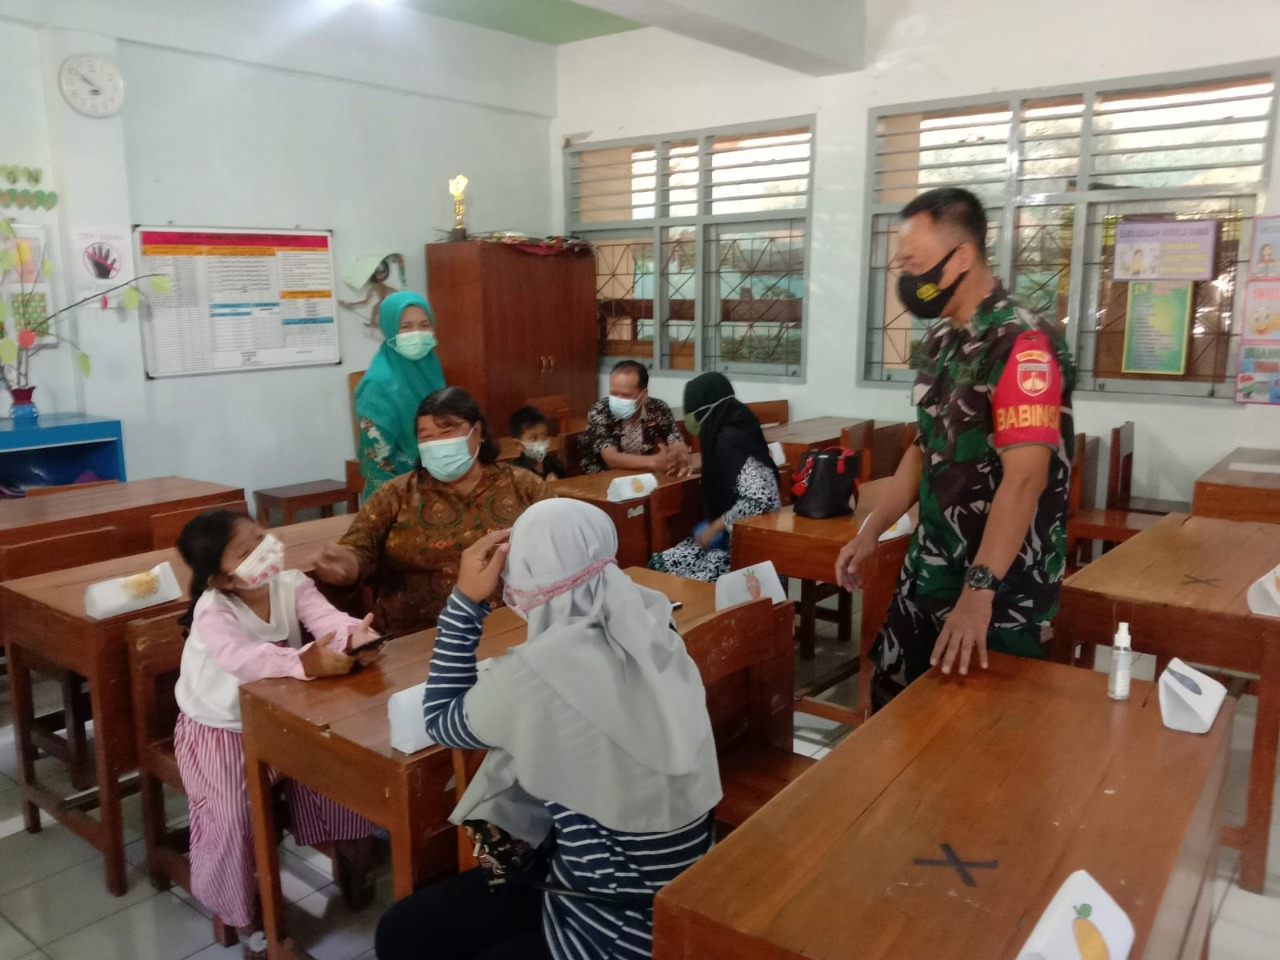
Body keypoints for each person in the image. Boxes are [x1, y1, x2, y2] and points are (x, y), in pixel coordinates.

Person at [374, 500, 721, 960]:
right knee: (409, 927)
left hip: (607, 929)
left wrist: (465, 600)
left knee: (402, 935)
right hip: (667, 891)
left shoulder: (531, 678)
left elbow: (440, 718)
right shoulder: (654, 622)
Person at [835, 187, 1074, 710]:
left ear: (961, 257)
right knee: (894, 709)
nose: (907, 276)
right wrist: (871, 531)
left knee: (975, 741)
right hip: (931, 568)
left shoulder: (1021, 343)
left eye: (914, 262)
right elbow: (925, 447)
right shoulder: (943, 340)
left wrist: (979, 592)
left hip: (997, 592)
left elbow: (1027, 478)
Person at [172, 510, 381, 960]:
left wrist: (357, 638)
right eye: (248, 550)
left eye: (262, 536)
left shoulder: (289, 583)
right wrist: (302, 663)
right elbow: (240, 659)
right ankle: (252, 928)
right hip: (219, 729)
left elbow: (325, 618)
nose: (266, 548)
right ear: (223, 579)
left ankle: (355, 862)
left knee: (342, 777)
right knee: (230, 818)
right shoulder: (214, 608)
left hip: (282, 713)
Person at [312, 387, 550, 632]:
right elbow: (358, 548)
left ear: (477, 432)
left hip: (508, 630)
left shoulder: (523, 486)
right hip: (412, 637)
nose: (437, 443)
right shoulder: (396, 493)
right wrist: (346, 564)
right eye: (426, 437)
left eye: (446, 432)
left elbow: (560, 547)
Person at [650, 372, 780, 582]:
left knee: (676, 580)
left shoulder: (730, 442)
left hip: (747, 548)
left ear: (702, 411)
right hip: (734, 537)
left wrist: (715, 527)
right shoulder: (735, 429)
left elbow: (760, 500)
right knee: (662, 563)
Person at [354, 290, 447, 499]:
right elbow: (379, 457)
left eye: (424, 325)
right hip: (396, 493)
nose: (417, 333)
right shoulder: (378, 384)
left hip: (439, 480)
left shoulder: (430, 368)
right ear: (390, 330)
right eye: (406, 327)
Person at [580, 360, 689, 475]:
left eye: (626, 395)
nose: (618, 399)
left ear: (643, 395)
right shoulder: (601, 410)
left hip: (642, 477)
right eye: (614, 393)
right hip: (600, 478)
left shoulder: (657, 408)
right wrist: (653, 461)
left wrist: (678, 455)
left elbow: (675, 438)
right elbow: (611, 458)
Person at [508, 406, 567, 481]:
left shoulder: (554, 463)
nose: (541, 442)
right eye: (533, 438)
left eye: (545, 435)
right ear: (518, 444)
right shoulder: (516, 470)